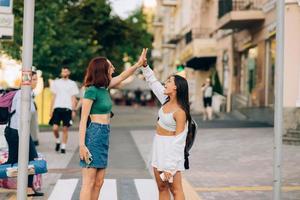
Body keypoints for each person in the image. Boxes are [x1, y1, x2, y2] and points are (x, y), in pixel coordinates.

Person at [79, 48, 147, 200]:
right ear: (102, 69)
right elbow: (83, 120)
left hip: (104, 134)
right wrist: (82, 146)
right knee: (88, 182)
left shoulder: (105, 87)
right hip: (94, 135)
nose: (114, 69)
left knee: (99, 182)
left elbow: (123, 76)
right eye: (110, 66)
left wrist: (138, 64)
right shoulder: (91, 91)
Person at [141, 60, 191, 200]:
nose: (165, 83)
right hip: (159, 148)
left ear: (176, 88)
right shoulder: (165, 100)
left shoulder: (180, 112)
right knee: (161, 187)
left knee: (176, 190)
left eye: (169, 81)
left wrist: (170, 166)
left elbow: (179, 140)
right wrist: (145, 67)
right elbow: (153, 82)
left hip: (172, 152)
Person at [3, 70, 44, 197]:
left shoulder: (29, 95)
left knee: (23, 160)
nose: (36, 82)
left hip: (20, 132)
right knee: (21, 161)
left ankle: (28, 188)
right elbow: (21, 116)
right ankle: (28, 188)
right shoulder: (22, 95)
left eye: (36, 79)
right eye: (33, 80)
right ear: (26, 81)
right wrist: (24, 138)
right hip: (17, 133)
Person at [49, 66, 79, 154]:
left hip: (67, 108)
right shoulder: (56, 83)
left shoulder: (72, 83)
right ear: (61, 73)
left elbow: (73, 98)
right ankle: (58, 141)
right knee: (55, 128)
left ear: (69, 73)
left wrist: (73, 110)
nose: (64, 73)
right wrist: (51, 109)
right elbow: (53, 97)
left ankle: (63, 147)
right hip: (57, 108)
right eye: (63, 72)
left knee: (65, 129)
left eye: (66, 71)